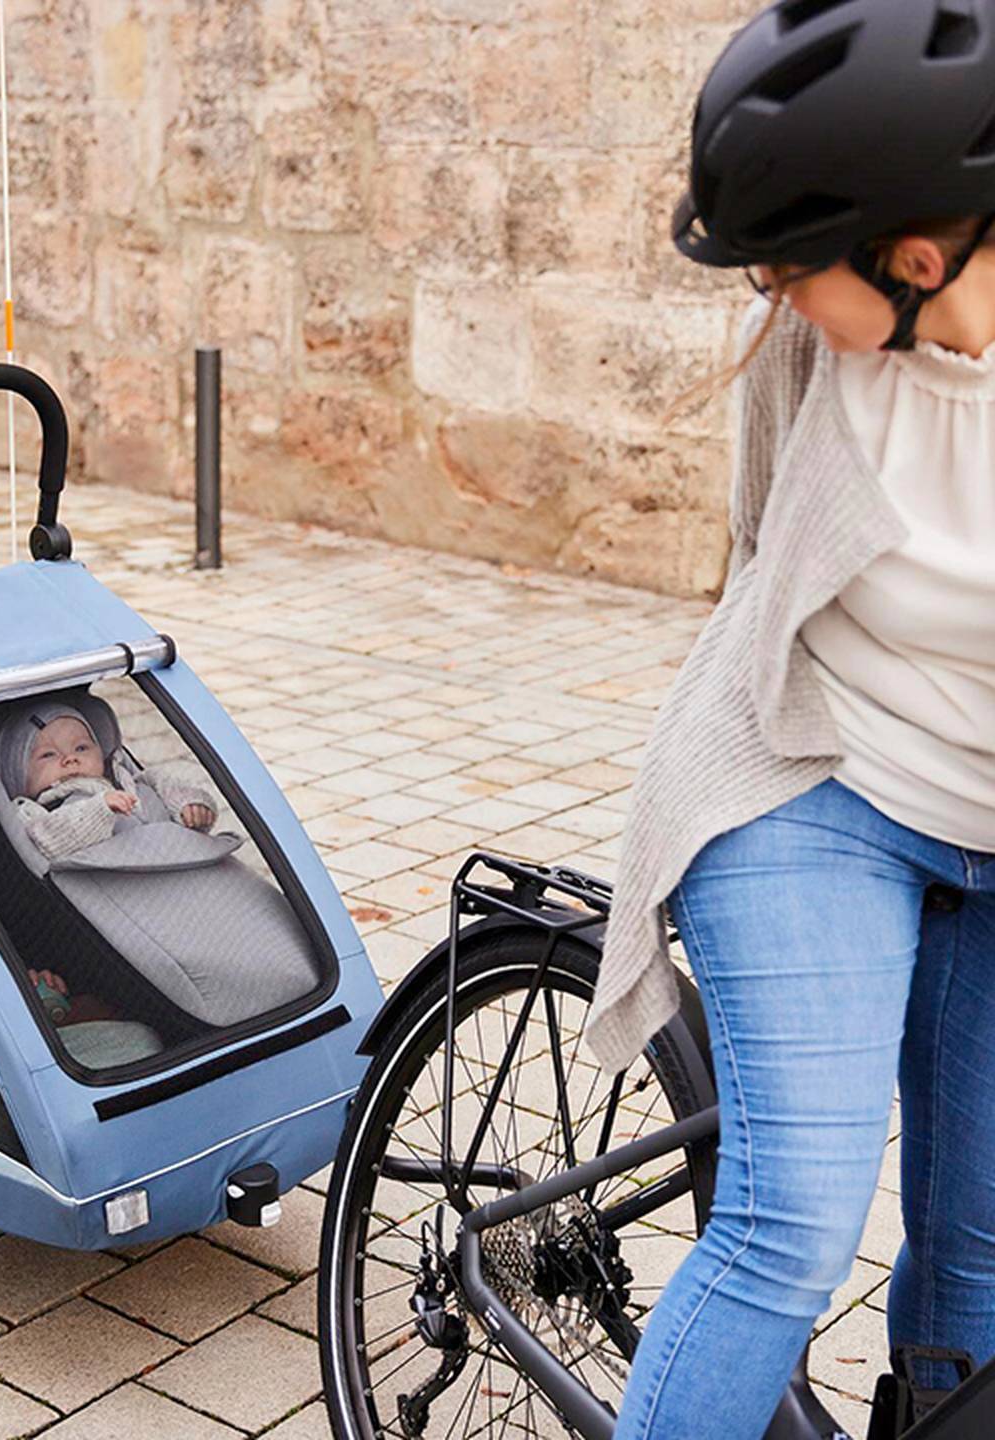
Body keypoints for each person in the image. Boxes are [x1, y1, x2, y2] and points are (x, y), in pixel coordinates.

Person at [585, 3, 995, 1435]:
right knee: (793, 1228)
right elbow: (761, 559)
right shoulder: (816, 351)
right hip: (815, 784)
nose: (765, 295)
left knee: (982, 1255)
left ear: (918, 257)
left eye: (784, 267)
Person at [0, 695, 220, 860]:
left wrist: (191, 805)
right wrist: (100, 809)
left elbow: (163, 782)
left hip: (175, 857)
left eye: (81, 748)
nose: (70, 759)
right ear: (18, 776)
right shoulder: (30, 811)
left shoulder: (127, 780)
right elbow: (47, 839)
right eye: (48, 755)